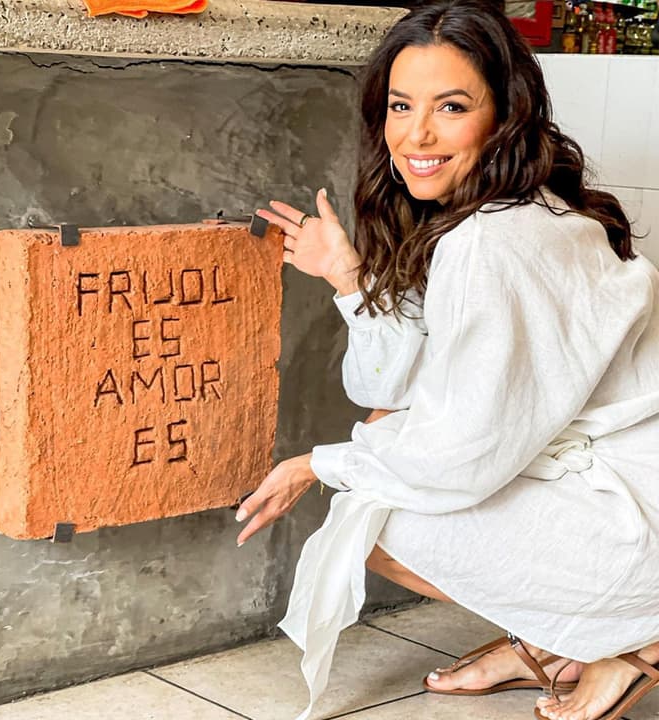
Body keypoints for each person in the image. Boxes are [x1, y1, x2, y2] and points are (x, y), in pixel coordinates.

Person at [241, 4, 659, 720]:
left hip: (634, 511)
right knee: (383, 450)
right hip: (629, 486)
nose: (417, 135)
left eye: (452, 107)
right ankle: (553, 640)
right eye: (401, 106)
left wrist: (314, 464)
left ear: (505, 116)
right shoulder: (514, 208)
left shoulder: (489, 240)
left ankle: (628, 643)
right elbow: (396, 387)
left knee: (375, 520)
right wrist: (347, 275)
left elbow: (463, 450)